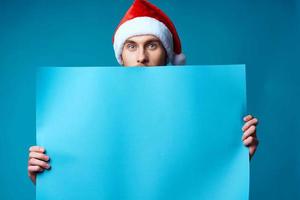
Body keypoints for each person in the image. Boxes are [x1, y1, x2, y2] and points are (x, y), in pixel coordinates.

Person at [28, 0, 259, 184]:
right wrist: (48, 176)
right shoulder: (86, 113)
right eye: (131, 46)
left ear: (166, 54)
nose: (141, 57)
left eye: (152, 45)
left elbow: (198, 174)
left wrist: (236, 159)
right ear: (121, 56)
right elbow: (88, 172)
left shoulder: (199, 113)